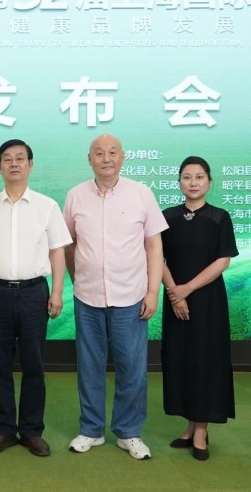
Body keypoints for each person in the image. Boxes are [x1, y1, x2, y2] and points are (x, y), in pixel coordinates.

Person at [63, 134, 167, 460]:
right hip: (87, 297)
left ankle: (129, 432)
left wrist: (153, 291)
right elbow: (68, 244)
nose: (106, 158)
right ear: (89, 159)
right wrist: (77, 278)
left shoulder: (141, 193)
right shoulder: (75, 195)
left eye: (112, 152)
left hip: (131, 296)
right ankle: (91, 430)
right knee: (89, 366)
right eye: (99, 153)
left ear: (122, 157)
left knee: (132, 368)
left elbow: (154, 245)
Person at [0, 139, 71, 458]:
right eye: (7, 159)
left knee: (33, 364)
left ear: (30, 165)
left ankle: (31, 431)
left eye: (20, 158)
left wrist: (56, 292)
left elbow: (57, 251)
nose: (14, 163)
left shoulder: (46, 206)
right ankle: (4, 430)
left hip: (34, 293)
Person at [161, 156, 238, 462]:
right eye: (187, 177)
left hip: (208, 301)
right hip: (175, 299)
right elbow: (157, 258)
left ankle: (201, 431)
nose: (193, 182)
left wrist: (186, 290)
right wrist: (175, 294)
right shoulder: (167, 216)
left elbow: (223, 260)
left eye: (199, 177)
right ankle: (190, 425)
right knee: (181, 359)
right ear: (179, 182)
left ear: (209, 182)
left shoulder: (219, 217)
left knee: (206, 361)